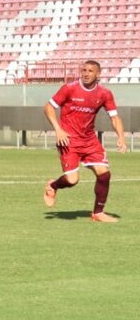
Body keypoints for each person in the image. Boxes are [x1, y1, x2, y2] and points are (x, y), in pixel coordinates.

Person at [43, 60, 127, 223]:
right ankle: (53, 186)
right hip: (68, 141)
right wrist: (58, 129)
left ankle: (98, 213)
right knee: (72, 180)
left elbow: (114, 117)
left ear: (98, 74)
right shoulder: (69, 88)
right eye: (84, 70)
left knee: (104, 174)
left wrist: (121, 137)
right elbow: (48, 107)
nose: (86, 73)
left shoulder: (104, 94)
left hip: (89, 141)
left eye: (90, 71)